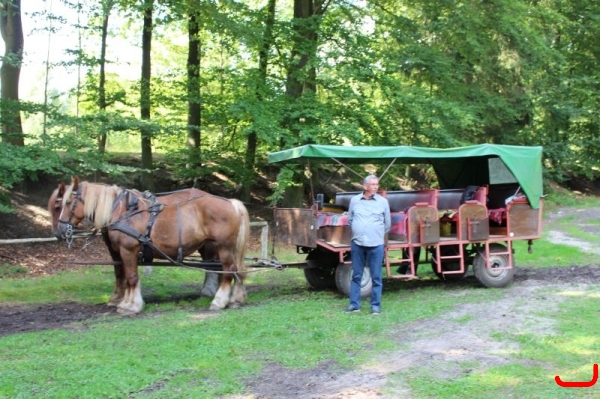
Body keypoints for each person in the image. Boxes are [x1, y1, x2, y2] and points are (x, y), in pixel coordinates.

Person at [344, 174, 391, 314]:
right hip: (358, 243)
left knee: (376, 276)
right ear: (365, 186)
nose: (376, 187)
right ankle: (354, 305)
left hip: (376, 244)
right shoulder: (355, 201)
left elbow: (387, 224)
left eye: (377, 184)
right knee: (356, 275)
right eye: (373, 184)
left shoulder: (383, 202)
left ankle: (375, 305)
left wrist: (374, 232)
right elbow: (350, 220)